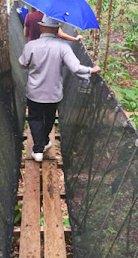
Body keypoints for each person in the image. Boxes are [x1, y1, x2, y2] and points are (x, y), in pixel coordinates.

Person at [18, 15, 100, 162]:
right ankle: (44, 142)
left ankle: (38, 150)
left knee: (35, 118)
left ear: (41, 27)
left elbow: (22, 63)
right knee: (49, 118)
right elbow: (75, 68)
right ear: (57, 29)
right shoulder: (63, 47)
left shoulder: (31, 46)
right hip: (53, 93)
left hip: (34, 92)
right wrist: (90, 70)